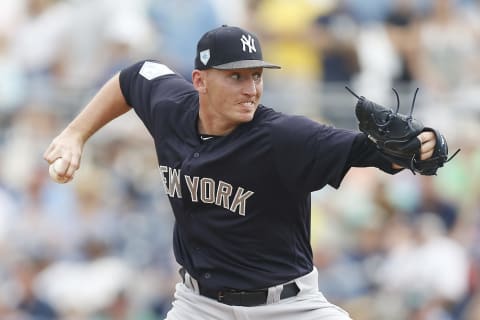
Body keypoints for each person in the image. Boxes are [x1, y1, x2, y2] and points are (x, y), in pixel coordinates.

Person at [44, 25, 437, 320]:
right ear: (199, 81)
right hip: (199, 306)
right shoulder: (170, 107)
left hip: (289, 308)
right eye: (236, 76)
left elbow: (375, 151)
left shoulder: (284, 136)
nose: (251, 88)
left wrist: (424, 142)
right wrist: (75, 134)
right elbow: (133, 77)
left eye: (256, 76)